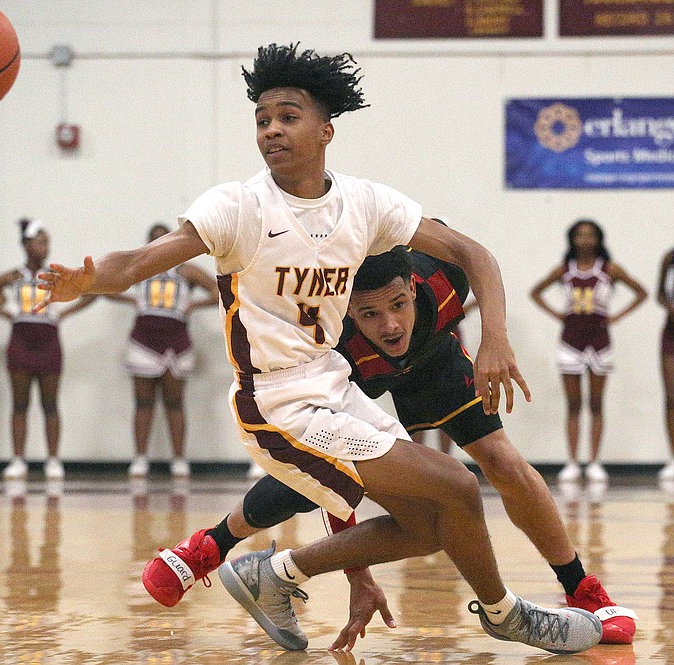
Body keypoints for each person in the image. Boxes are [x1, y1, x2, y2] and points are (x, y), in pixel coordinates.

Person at [35, 44, 602, 654]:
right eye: (261, 119)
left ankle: (274, 573)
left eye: (287, 116)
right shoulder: (238, 206)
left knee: (432, 524)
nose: (271, 129)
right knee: (458, 487)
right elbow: (144, 260)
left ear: (326, 130)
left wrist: (494, 337)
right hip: (275, 403)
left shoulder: (363, 203)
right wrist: (91, 279)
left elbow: (473, 254)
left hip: (332, 382)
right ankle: (504, 614)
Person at [142, 246, 637, 646]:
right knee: (317, 475)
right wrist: (359, 577)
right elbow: (332, 481)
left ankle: (581, 589)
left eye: (398, 305)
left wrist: (496, 339)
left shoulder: (440, 274)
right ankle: (211, 546)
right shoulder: (328, 337)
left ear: (414, 288)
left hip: (434, 359)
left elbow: (482, 258)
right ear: (348, 311)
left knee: (503, 461)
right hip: (352, 380)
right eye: (371, 314)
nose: (391, 325)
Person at [0, 219, 96, 482]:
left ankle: (53, 459)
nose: (45, 246)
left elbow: (91, 292)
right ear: (25, 244)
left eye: (47, 242)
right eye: (39, 241)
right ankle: (18, 459)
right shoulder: (14, 276)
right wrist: (7, 312)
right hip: (21, 339)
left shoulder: (54, 275)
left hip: (48, 339)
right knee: (20, 403)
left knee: (50, 403)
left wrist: (63, 313)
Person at [530, 220, 647, 483]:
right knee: (573, 404)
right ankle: (572, 461)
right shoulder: (565, 270)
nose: (585, 239)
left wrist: (615, 317)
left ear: (598, 239)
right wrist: (558, 314)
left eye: (590, 235)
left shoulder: (609, 269)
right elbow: (535, 292)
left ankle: (594, 461)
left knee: (596, 403)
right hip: (571, 338)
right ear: (572, 239)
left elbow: (641, 292)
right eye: (580, 235)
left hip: (600, 338)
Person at [107, 223, 219, 478]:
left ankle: (179, 458)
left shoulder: (186, 270)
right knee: (143, 402)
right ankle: (140, 457)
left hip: (176, 341)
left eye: (163, 239)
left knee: (175, 402)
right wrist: (132, 299)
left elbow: (219, 291)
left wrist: (194, 305)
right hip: (143, 340)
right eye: (154, 240)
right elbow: (107, 286)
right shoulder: (138, 269)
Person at [659, 247, 674, 481]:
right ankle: (673, 457)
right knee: (671, 396)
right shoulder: (670, 259)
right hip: (672, 334)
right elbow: (660, 294)